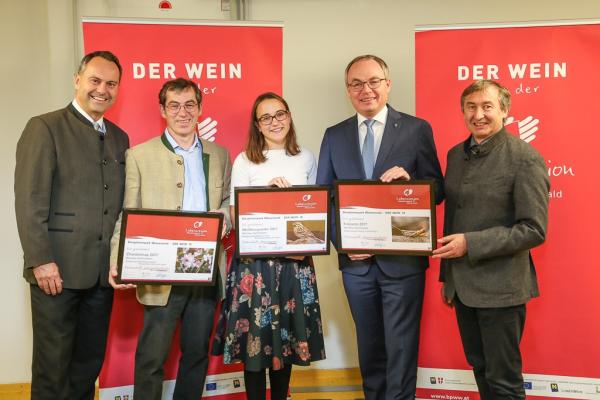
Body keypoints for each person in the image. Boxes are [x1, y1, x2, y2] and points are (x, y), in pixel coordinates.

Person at [316, 55, 444, 400]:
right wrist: (343, 244)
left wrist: (412, 181)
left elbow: (438, 188)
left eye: (373, 81)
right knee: (370, 351)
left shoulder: (417, 129)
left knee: (402, 351)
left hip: (402, 262)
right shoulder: (335, 135)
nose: (365, 90)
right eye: (356, 83)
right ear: (348, 90)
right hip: (357, 265)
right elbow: (324, 201)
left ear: (387, 84)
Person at [14, 50, 129, 400]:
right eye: (95, 80)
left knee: (87, 366)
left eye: (111, 84)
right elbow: (29, 200)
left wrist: (119, 261)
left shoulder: (120, 137)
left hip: (100, 277)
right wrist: (40, 260)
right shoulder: (44, 127)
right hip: (56, 273)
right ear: (78, 80)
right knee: (52, 369)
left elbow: (120, 207)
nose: (102, 89)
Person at [108, 78, 232, 400]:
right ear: (163, 110)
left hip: (204, 272)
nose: (183, 112)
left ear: (200, 108)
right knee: (151, 358)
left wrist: (224, 219)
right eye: (174, 105)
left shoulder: (220, 155)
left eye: (190, 104)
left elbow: (228, 205)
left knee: (196, 355)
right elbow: (129, 212)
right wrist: (117, 260)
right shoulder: (139, 155)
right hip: (160, 272)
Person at [432, 80, 549, 400]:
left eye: (487, 106)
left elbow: (534, 229)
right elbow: (453, 217)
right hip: (462, 287)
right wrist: (448, 279)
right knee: (480, 368)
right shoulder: (456, 155)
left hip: (502, 290)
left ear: (505, 111)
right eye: (471, 107)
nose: (478, 115)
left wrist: (471, 243)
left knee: (504, 380)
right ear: (462, 112)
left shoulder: (525, 158)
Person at [215, 92, 325, 400]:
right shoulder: (245, 160)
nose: (275, 122)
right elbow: (237, 216)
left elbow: (314, 212)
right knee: (255, 340)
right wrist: (269, 195)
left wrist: (303, 246)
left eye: (280, 114)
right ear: (257, 125)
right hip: (255, 265)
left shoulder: (306, 157)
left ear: (289, 117)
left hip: (295, 261)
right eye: (266, 117)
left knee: (285, 341)